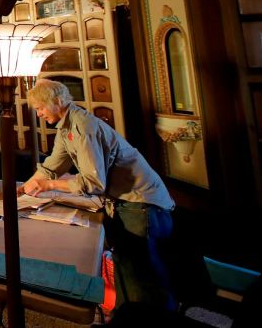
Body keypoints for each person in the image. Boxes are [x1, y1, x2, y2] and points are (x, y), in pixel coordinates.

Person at [20, 78, 176, 312]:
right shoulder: (66, 127)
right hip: (126, 204)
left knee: (143, 279)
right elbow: (51, 166)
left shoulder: (82, 126)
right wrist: (23, 189)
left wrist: (49, 185)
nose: (39, 113)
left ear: (58, 101)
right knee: (126, 270)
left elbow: (93, 183)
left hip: (141, 204)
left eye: (41, 108)